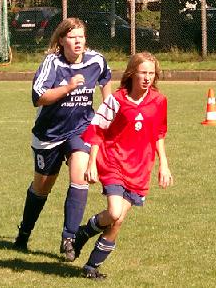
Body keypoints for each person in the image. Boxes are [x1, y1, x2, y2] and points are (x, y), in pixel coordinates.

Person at [13, 18, 112, 263]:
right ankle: (24, 232)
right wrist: (68, 88)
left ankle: (69, 238)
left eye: (81, 36)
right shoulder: (52, 63)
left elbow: (106, 82)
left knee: (80, 177)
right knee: (41, 187)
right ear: (61, 40)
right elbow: (39, 97)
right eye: (72, 37)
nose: (78, 41)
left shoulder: (95, 60)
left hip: (80, 129)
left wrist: (107, 113)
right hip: (49, 133)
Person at [72, 51, 173, 280]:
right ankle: (83, 233)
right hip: (113, 161)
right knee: (115, 212)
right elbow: (97, 129)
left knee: (117, 220)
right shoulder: (116, 100)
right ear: (132, 73)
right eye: (142, 73)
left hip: (140, 168)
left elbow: (159, 134)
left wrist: (163, 165)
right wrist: (92, 164)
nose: (147, 78)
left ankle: (90, 264)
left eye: (151, 73)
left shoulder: (159, 101)